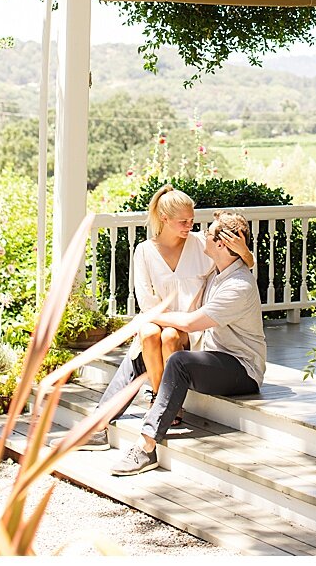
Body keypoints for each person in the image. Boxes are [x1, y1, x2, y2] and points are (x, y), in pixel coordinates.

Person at [97, 212, 269, 476]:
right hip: (216, 356)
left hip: (242, 370)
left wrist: (149, 316)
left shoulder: (238, 286)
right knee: (144, 346)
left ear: (222, 244)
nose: (203, 236)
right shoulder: (218, 271)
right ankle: (97, 426)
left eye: (209, 234)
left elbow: (189, 323)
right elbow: (242, 258)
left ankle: (147, 446)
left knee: (179, 362)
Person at [128, 185, 254, 402]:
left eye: (191, 220)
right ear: (165, 218)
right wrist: (155, 319)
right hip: (158, 318)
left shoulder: (202, 244)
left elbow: (244, 266)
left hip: (192, 326)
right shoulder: (144, 251)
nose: (190, 226)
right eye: (183, 222)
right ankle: (159, 397)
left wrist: (243, 250)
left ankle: (171, 402)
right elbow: (146, 300)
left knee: (170, 335)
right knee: (148, 333)